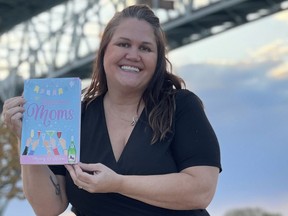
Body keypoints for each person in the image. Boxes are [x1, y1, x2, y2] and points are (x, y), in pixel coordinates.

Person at [2, 4, 221, 216]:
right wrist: (28, 140)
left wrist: (119, 184)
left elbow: (201, 190)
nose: (133, 55)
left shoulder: (181, 106)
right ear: (104, 50)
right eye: (123, 44)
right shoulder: (74, 117)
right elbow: (48, 208)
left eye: (145, 48)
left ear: (157, 60)